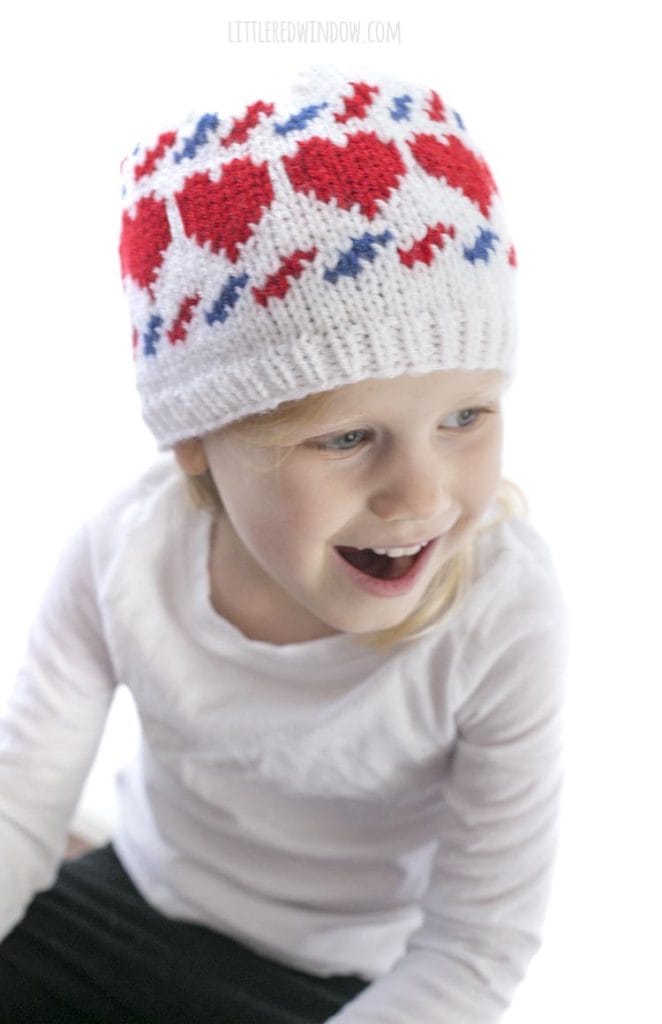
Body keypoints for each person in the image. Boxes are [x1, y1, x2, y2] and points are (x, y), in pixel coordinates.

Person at [0, 62, 569, 1023]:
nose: (422, 495)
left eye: (467, 415)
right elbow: (20, 803)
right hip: (137, 895)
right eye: (346, 437)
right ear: (196, 443)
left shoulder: (502, 618)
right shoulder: (124, 555)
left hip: (343, 983)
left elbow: (474, 950)